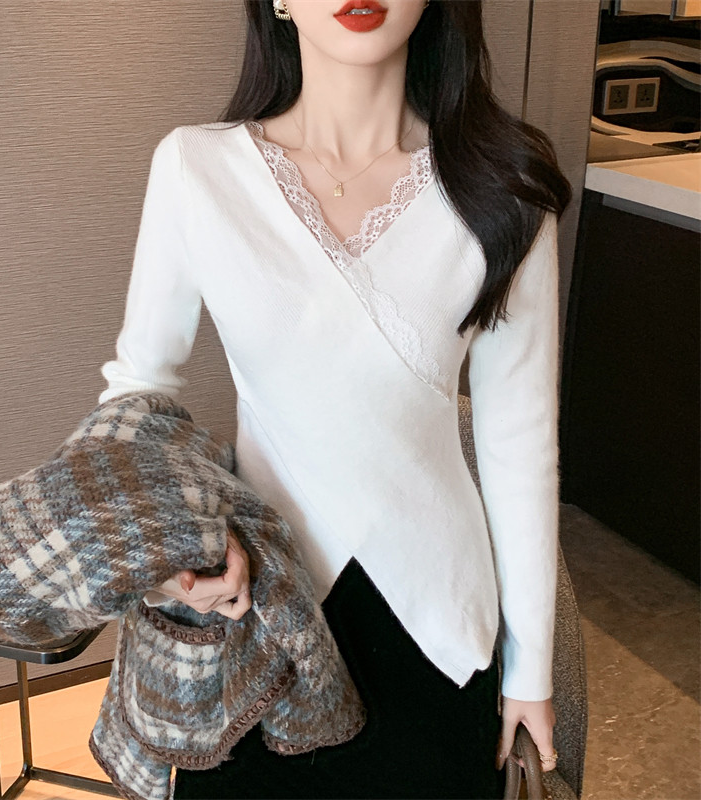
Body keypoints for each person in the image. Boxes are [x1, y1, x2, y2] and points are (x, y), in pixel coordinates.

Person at [97, 0, 573, 797]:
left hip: (435, 631)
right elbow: (138, 394)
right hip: (254, 621)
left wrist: (531, 669)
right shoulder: (197, 170)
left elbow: (519, 444)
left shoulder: (503, 186)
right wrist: (168, 555)